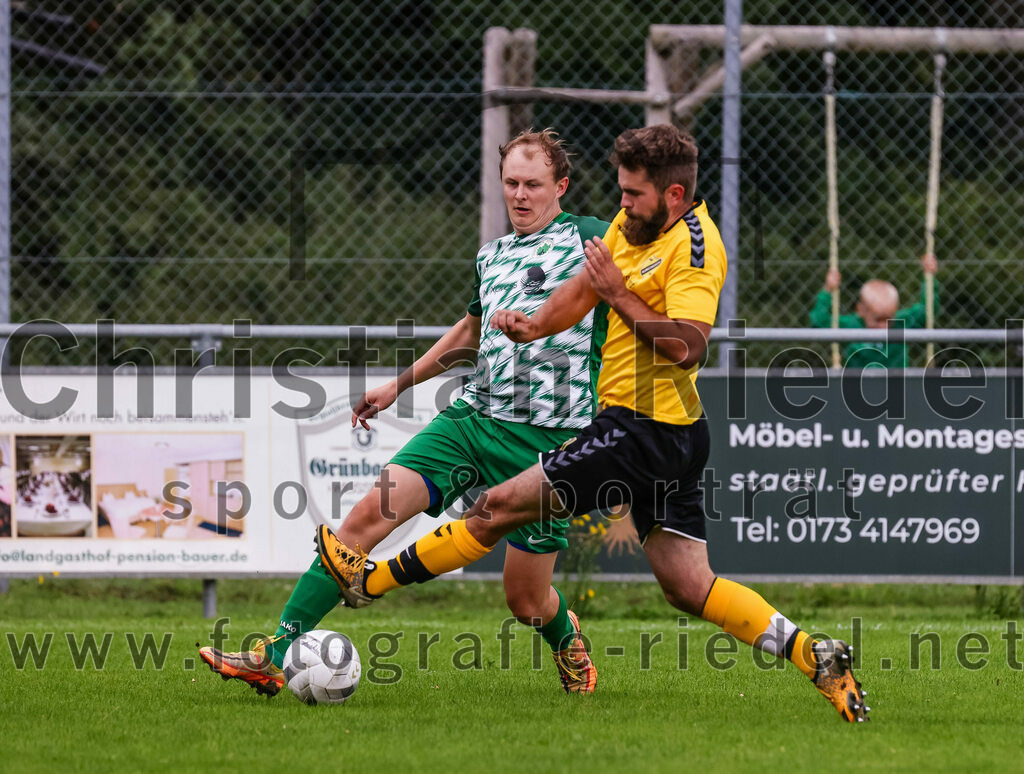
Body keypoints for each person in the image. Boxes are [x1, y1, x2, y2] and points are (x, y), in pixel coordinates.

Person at [318, 124, 870, 722]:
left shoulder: (696, 246)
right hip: (670, 433)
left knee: (495, 508)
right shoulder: (630, 227)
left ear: (675, 195)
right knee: (689, 587)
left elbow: (689, 347)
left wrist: (621, 295)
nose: (622, 203)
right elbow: (583, 291)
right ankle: (817, 656)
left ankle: (370, 582)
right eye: (621, 190)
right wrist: (533, 325)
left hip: (641, 431)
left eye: (633, 193)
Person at [200, 128, 609, 695]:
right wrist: (399, 385)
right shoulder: (491, 256)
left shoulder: (591, 238)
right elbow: (469, 332)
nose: (519, 195)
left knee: (526, 601)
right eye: (511, 182)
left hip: (547, 441)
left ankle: (566, 639)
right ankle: (272, 653)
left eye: (533, 185)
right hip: (471, 421)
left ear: (560, 186)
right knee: (365, 518)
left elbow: (647, 266)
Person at [809, 254, 940, 367]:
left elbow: (928, 311)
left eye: (888, 320)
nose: (883, 327)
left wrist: (929, 278)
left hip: (895, 385)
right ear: (860, 310)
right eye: (878, 320)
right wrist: (828, 290)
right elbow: (819, 322)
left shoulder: (900, 324)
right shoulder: (852, 325)